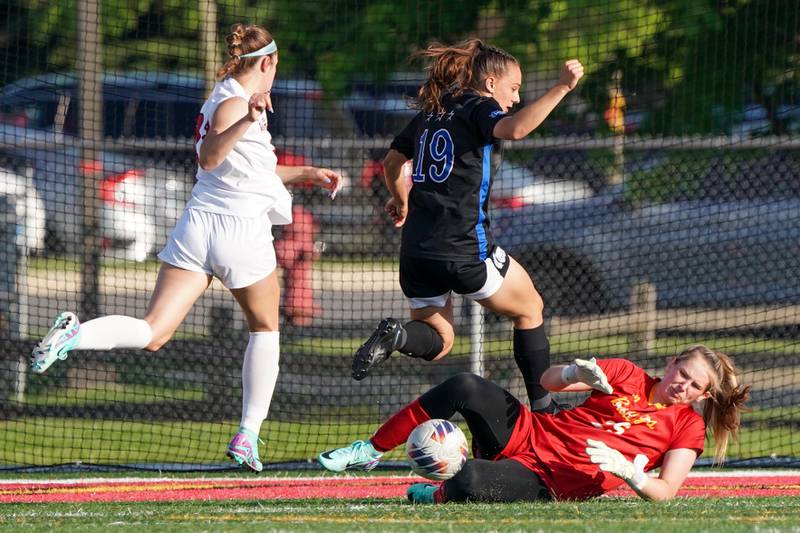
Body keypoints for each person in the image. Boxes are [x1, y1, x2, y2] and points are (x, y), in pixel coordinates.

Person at [29, 23, 342, 473]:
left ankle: (75, 335)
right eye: (277, 66)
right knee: (266, 330)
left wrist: (308, 172)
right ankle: (248, 435)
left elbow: (248, 172)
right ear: (268, 62)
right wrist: (250, 118)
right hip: (237, 232)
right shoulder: (237, 102)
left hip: (198, 227)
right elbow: (211, 157)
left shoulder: (231, 99)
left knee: (155, 332)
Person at [350, 38, 584, 414]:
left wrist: (401, 198)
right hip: (463, 249)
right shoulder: (479, 107)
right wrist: (561, 88)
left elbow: (392, 161)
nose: (516, 97)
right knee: (530, 309)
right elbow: (516, 129)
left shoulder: (433, 111)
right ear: (490, 83)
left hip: (416, 252)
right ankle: (544, 409)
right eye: (514, 87)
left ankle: (398, 336)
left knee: (439, 341)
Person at [322, 345, 750, 503]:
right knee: (466, 384)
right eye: (683, 373)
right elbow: (546, 382)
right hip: (531, 430)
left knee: (468, 481)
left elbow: (666, 492)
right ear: (671, 363)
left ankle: (433, 493)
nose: (683, 385)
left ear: (704, 396)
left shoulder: (687, 427)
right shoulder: (627, 374)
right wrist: (575, 376)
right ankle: (372, 450)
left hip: (551, 478)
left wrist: (630, 473)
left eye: (695, 385)